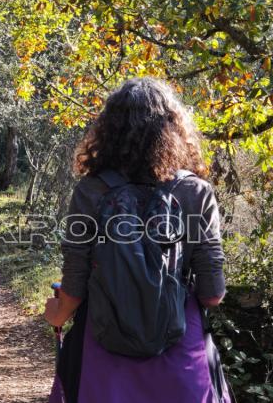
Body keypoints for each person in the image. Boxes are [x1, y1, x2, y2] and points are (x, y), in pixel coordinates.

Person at [44, 77, 229, 403]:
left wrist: (56, 314)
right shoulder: (196, 192)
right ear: (173, 128)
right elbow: (212, 295)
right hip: (181, 353)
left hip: (103, 351)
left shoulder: (91, 191)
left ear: (110, 130)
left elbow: (74, 287)